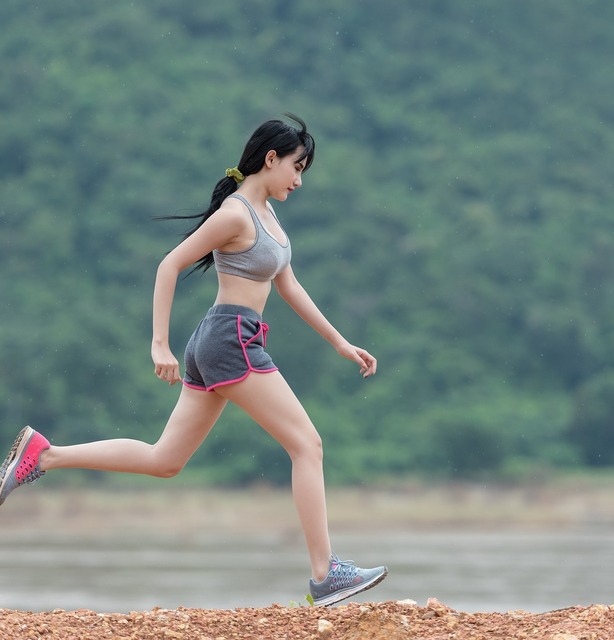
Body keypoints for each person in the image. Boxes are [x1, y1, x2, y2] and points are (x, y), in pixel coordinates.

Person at [0, 114, 387, 606]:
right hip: (232, 341)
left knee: (165, 460)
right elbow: (170, 264)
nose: (299, 179)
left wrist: (338, 341)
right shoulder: (236, 213)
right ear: (270, 159)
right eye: (296, 166)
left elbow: (287, 283)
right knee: (307, 446)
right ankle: (325, 574)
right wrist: (158, 345)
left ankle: (45, 456)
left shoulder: (267, 214)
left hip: (220, 339)